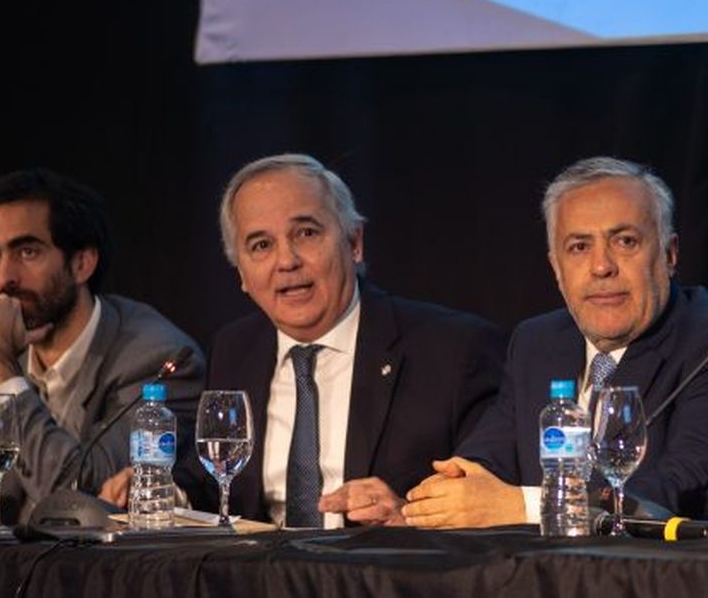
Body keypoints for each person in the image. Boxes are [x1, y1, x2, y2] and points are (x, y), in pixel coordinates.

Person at [402, 156, 708, 528]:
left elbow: (682, 485)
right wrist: (429, 503)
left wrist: (526, 506)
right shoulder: (537, 341)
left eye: (625, 241)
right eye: (579, 247)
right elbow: (485, 461)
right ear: (556, 268)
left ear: (669, 254)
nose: (601, 266)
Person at [164, 153, 505, 528]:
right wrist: (168, 491)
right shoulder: (235, 349)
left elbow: (485, 496)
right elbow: (213, 480)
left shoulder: (452, 351)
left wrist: (406, 516)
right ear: (241, 273)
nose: (286, 261)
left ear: (354, 243)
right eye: (261, 245)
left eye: (306, 233)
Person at [0, 168, 205, 524]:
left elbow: (83, 498)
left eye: (27, 252)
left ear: (82, 263)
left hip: (100, 574)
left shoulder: (157, 358)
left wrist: (3, 373)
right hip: (2, 572)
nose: (5, 278)